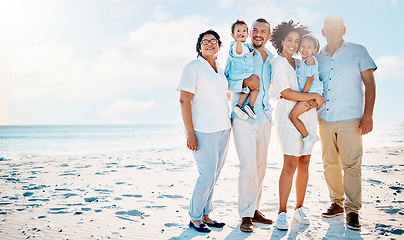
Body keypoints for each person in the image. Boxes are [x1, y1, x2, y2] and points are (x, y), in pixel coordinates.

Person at [316, 16, 376, 231]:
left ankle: (352, 210)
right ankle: (337, 202)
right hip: (324, 118)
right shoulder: (317, 57)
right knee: (329, 164)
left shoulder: (358, 50)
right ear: (323, 32)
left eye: (336, 27)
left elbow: (369, 83)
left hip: (351, 119)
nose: (332, 31)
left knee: (351, 165)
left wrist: (368, 115)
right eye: (328, 28)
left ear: (344, 29)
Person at [270, 20, 324, 230]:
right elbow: (286, 92)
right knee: (290, 164)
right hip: (288, 114)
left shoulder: (300, 63)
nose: (293, 44)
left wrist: (312, 101)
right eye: (289, 40)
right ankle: (282, 212)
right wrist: (315, 97)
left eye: (296, 41)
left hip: (307, 113)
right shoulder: (279, 62)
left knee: (304, 163)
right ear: (282, 41)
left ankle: (299, 208)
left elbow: (308, 79)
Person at [178, 29, 231, 233]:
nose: (210, 43)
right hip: (202, 131)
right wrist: (190, 133)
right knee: (206, 175)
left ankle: (206, 215)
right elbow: (184, 101)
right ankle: (194, 217)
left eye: (213, 40)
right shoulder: (193, 67)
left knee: (214, 175)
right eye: (205, 41)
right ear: (199, 47)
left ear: (219, 45)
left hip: (223, 129)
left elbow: (219, 96)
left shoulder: (219, 68)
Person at [225, 18, 274, 233]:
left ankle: (254, 209)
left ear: (268, 35)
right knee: (248, 165)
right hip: (243, 117)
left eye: (263, 31)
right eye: (255, 29)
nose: (258, 33)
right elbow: (227, 78)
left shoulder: (272, 59)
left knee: (261, 166)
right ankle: (245, 215)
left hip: (264, 117)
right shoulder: (240, 50)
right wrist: (245, 83)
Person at [289, 34, 324, 154]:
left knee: (293, 116)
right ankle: (312, 135)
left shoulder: (310, 59)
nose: (305, 49)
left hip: (311, 93)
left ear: (314, 50)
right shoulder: (302, 62)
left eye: (309, 47)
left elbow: (310, 79)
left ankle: (308, 138)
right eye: (303, 46)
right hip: (310, 93)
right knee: (295, 115)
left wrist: (301, 95)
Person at [228, 20, 258, 120]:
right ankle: (249, 105)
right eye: (238, 31)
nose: (241, 33)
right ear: (233, 35)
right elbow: (239, 52)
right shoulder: (236, 45)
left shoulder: (246, 46)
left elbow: (245, 52)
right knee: (255, 87)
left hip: (244, 73)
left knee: (249, 90)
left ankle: (240, 106)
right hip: (241, 73)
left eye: (244, 31)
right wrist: (238, 41)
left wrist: (251, 53)